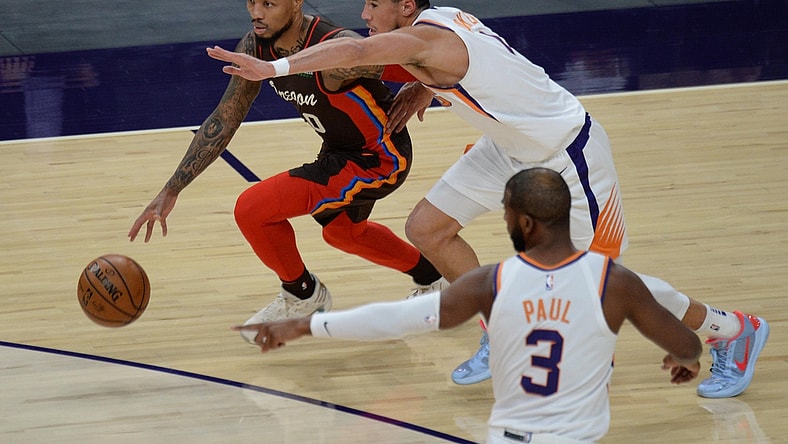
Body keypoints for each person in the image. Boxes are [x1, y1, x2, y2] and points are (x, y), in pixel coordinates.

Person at [205, 0, 768, 397]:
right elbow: (468, 61)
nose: (363, 16)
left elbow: (357, 53)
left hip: (566, 154)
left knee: (600, 285)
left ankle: (732, 331)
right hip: (509, 146)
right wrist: (426, 85)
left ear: (404, 7)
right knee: (427, 228)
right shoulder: (439, 24)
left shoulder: (423, 36)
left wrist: (273, 67)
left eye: (373, 4)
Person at [234, 168, 704, 444]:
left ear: (522, 222)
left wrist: (308, 328)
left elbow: (394, 319)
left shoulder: (490, 284)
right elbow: (684, 342)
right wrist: (683, 357)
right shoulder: (617, 283)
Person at [128, 0, 447, 344]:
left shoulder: (337, 48)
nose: (257, 13)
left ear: (296, 3)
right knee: (342, 233)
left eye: (269, 3)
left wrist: (425, 88)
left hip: (377, 157)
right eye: (252, 2)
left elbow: (437, 58)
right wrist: (172, 189)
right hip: (340, 151)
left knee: (253, 208)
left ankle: (303, 295)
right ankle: (435, 278)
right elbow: (226, 118)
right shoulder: (256, 45)